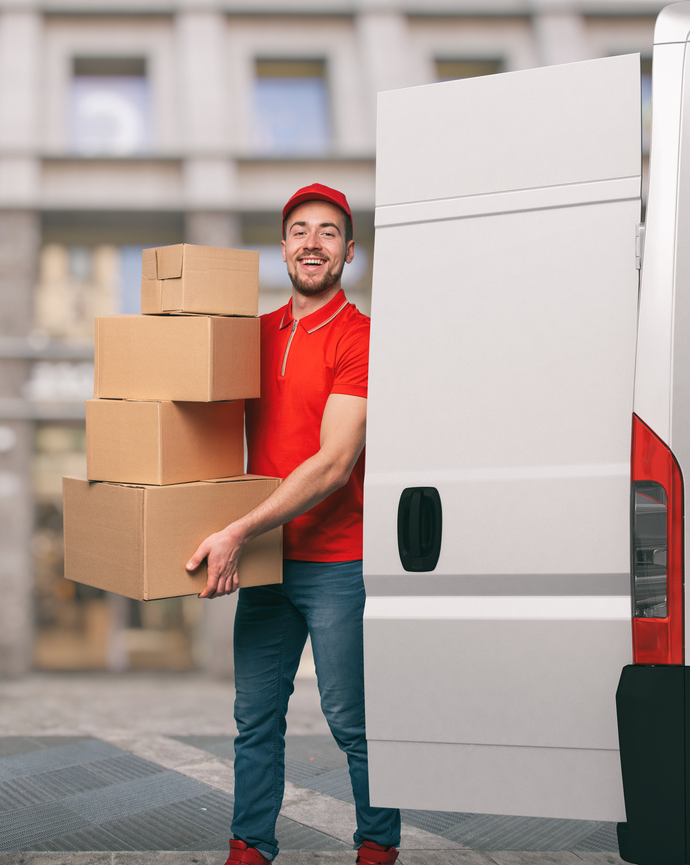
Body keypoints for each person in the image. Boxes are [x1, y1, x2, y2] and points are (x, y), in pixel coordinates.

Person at [188, 183, 400, 865]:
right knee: (254, 720)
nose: (313, 242)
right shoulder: (251, 336)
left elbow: (335, 463)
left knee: (351, 721)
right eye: (300, 230)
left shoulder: (362, 337)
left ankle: (378, 842)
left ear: (349, 251)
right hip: (266, 560)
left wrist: (237, 529)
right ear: (282, 247)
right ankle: (250, 845)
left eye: (329, 232)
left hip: (339, 559)